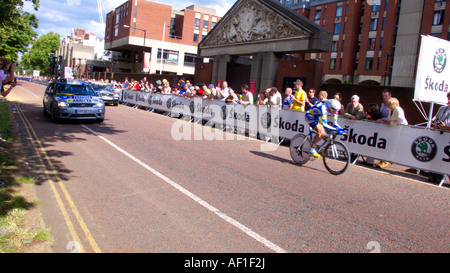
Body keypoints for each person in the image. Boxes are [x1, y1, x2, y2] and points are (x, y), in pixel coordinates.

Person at [375, 97, 408, 168]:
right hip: (392, 131)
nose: (387, 105)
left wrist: (391, 123)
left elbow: (401, 122)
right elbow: (389, 119)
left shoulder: (398, 110)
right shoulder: (390, 110)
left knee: (394, 146)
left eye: (388, 104)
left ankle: (389, 160)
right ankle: (384, 161)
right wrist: (383, 121)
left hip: (400, 131)